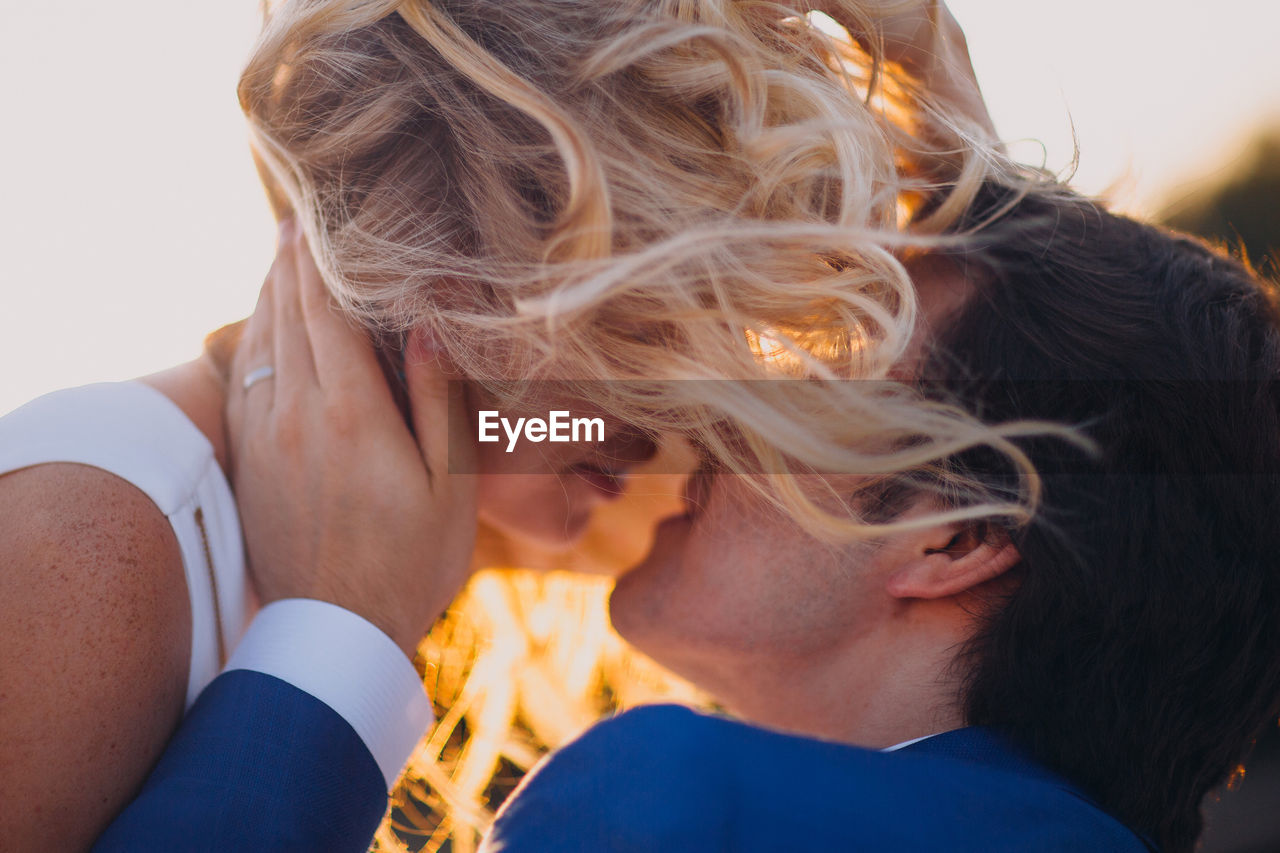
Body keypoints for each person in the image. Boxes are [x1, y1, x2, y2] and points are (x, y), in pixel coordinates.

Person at [1, 1, 1010, 849]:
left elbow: (981, 451)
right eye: (645, 331)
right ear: (458, 296)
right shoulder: (99, 536)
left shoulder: (526, 464)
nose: (685, 408)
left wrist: (957, 131)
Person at [99, 178, 1280, 853]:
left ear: (954, 536)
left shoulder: (675, 808)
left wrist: (336, 624)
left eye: (823, 368)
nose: (715, 409)